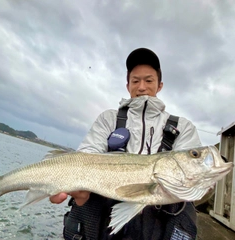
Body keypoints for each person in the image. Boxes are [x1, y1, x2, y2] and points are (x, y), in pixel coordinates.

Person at [50, 48, 202, 240]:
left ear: (160, 85)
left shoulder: (183, 127)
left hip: (157, 225)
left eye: (149, 80)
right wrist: (77, 185)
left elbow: (189, 177)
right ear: (127, 84)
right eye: (135, 81)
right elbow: (87, 154)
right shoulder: (108, 118)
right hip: (102, 222)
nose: (141, 87)